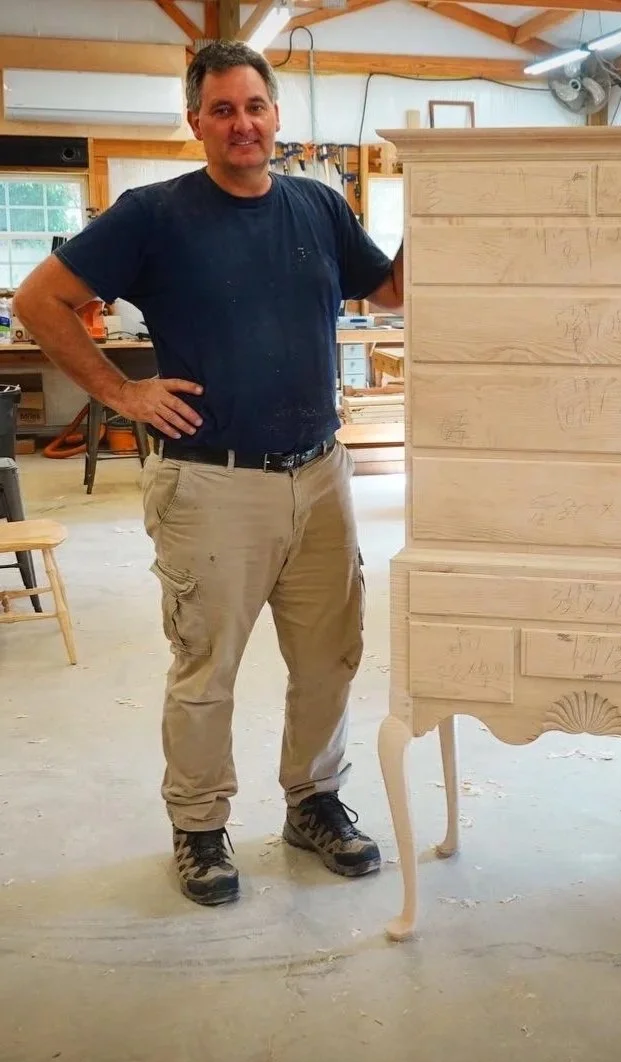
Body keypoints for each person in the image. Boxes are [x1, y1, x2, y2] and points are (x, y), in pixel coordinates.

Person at [13, 40, 403, 907]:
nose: (242, 124)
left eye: (254, 107)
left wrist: (449, 201)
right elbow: (38, 300)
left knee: (330, 658)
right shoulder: (154, 214)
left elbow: (392, 292)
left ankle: (314, 801)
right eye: (222, 110)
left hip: (321, 475)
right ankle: (198, 826)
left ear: (276, 115)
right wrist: (121, 391)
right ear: (196, 122)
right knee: (206, 668)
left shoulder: (318, 205)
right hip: (213, 483)